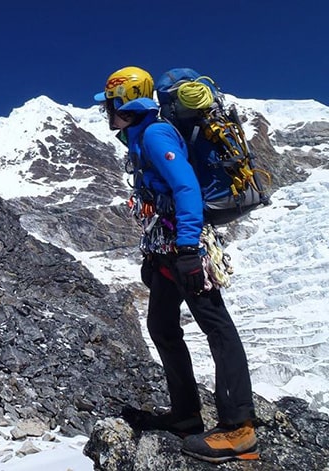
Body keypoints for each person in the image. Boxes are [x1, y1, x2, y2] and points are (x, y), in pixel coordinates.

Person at [93, 66, 259, 463]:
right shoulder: (139, 136)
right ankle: (186, 415)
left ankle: (240, 429)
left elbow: (185, 187)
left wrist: (187, 250)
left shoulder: (155, 134)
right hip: (164, 246)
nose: (106, 113)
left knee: (216, 327)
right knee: (162, 326)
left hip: (184, 245)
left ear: (126, 103)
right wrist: (157, 254)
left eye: (110, 105)